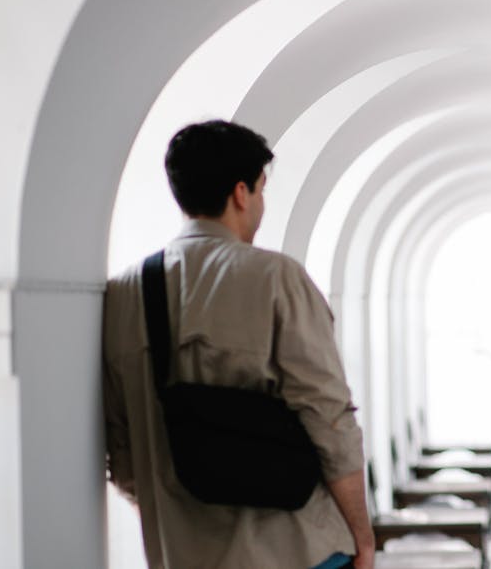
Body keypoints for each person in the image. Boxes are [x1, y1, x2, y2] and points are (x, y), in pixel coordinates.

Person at [102, 120, 375, 569]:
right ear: (241, 193)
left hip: (180, 554)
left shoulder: (125, 292)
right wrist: (362, 537)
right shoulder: (276, 278)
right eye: (261, 191)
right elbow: (328, 417)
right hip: (295, 552)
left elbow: (122, 449)